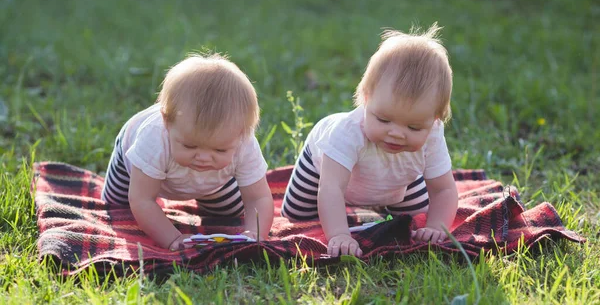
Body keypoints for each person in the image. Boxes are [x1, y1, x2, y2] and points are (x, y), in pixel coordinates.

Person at [281, 23, 458, 257]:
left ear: (435, 119)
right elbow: (331, 188)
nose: (396, 133)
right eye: (384, 120)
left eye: (413, 127)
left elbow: (444, 190)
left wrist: (436, 228)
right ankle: (350, 215)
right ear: (366, 99)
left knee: (416, 219)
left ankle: (379, 205)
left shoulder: (433, 136)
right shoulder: (345, 134)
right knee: (297, 215)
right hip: (324, 169)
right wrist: (339, 235)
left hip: (398, 179)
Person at [101, 53, 274, 251]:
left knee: (231, 212)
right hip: (136, 168)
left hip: (213, 182)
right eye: (190, 146)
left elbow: (257, 198)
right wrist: (172, 238)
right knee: (117, 210)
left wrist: (256, 234)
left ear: (241, 134)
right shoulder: (152, 139)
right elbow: (141, 199)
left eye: (220, 149)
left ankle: (204, 186)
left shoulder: (244, 143)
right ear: (167, 122)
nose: (203, 157)